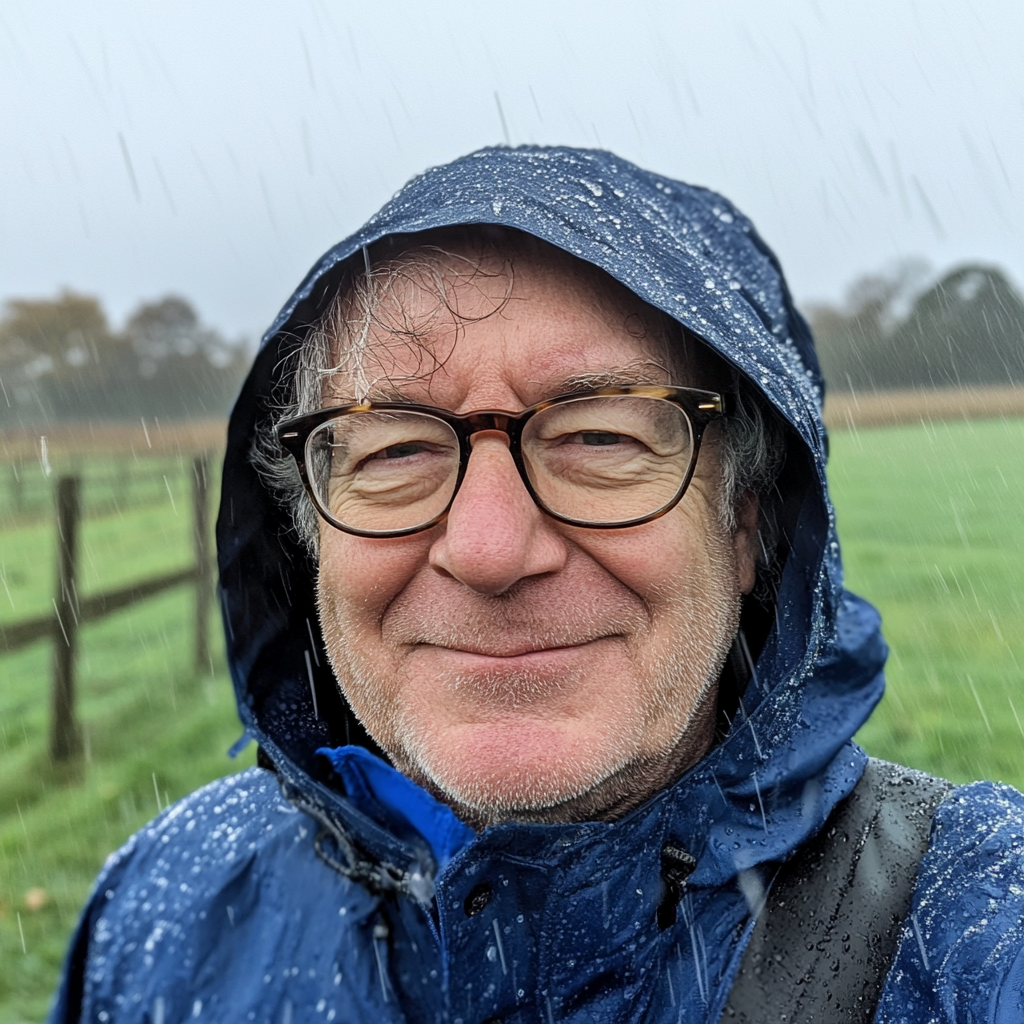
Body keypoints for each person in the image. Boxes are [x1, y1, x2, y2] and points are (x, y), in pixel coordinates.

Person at [50, 147, 1024, 1024]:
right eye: (394, 449)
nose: (486, 549)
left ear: (743, 524)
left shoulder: (974, 933)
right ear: (307, 535)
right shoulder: (174, 906)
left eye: (598, 434)